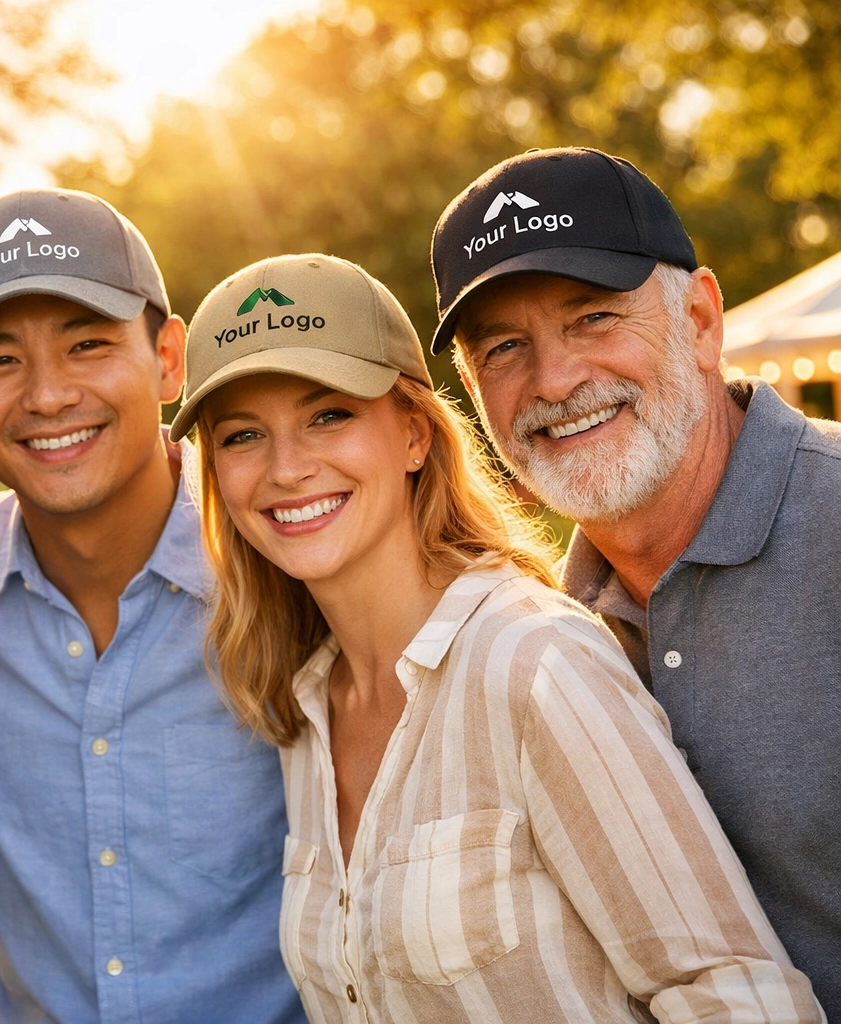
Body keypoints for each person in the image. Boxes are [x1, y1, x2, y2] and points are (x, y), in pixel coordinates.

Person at [168, 252, 822, 1021]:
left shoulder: (537, 662)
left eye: (329, 415)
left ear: (414, 434)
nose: (286, 468)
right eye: (243, 436)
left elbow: (739, 997)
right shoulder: (308, 704)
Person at [428, 147, 841, 1013]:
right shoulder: (539, 632)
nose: (556, 379)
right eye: (505, 347)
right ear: (472, 391)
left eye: (593, 319)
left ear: (699, 318)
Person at [0, 189, 307, 1022]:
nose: (47, 396)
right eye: (1, 360)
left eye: (87, 344)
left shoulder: (292, 562)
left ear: (168, 356)